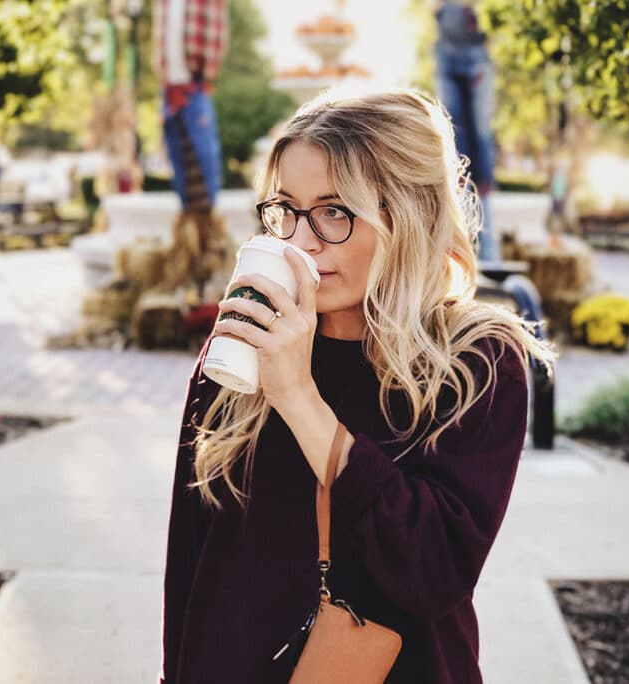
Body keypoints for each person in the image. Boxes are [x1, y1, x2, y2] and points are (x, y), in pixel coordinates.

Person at [160, 90, 554, 683]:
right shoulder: (247, 342)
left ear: (408, 215)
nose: (302, 241)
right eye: (286, 209)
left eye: (335, 212)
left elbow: (431, 569)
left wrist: (298, 398)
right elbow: (190, 555)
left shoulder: (475, 362)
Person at [434, 0, 499, 262]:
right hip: (447, 59)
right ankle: (460, 240)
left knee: (481, 136)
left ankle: (487, 245)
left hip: (477, 58)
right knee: (453, 135)